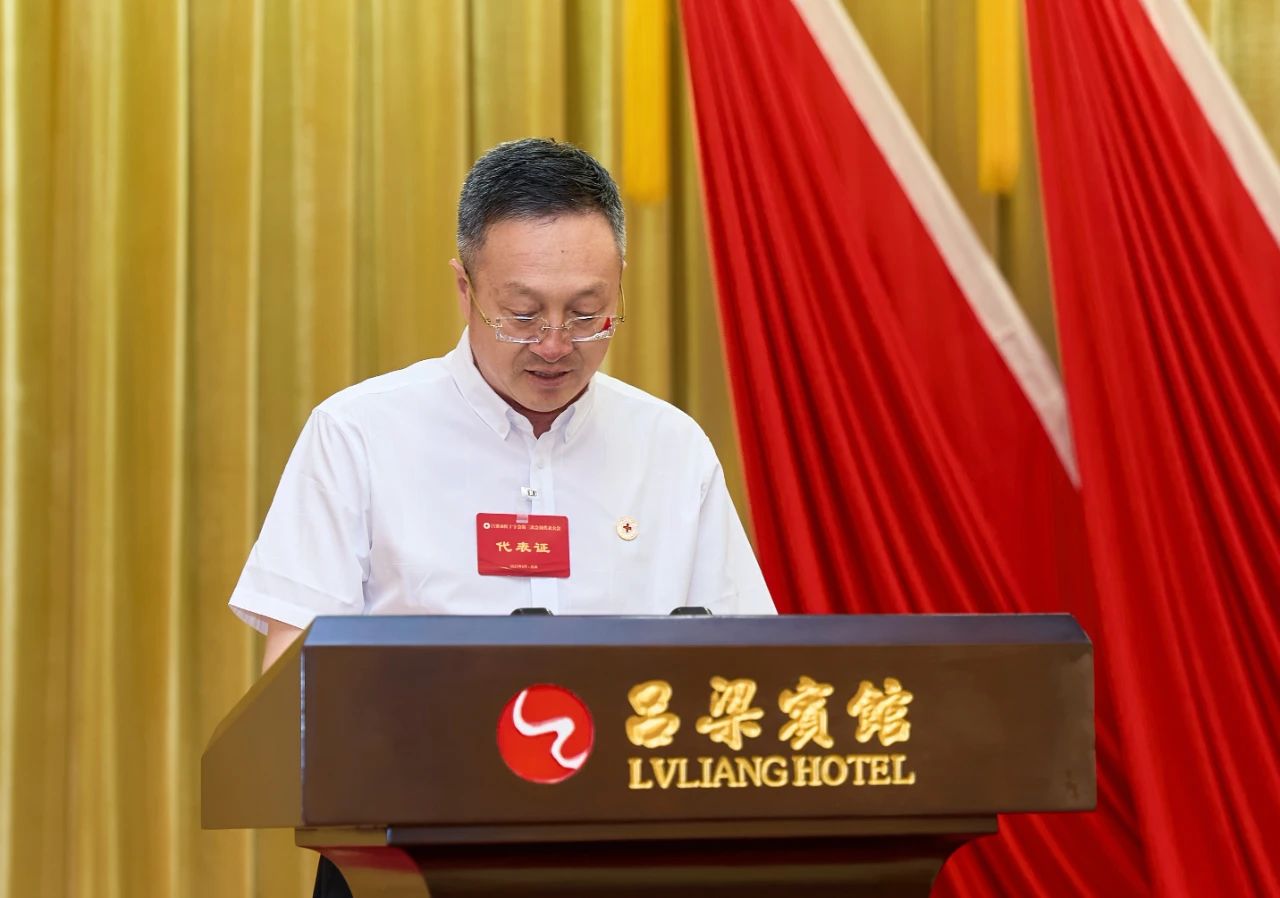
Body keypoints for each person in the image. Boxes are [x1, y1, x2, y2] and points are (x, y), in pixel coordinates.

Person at [225, 138, 777, 895]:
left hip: (625, 861)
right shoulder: (358, 434)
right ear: (465, 288)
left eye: (587, 314)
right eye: (522, 314)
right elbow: (296, 691)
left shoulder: (671, 448)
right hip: (407, 864)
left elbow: (745, 675)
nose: (554, 345)